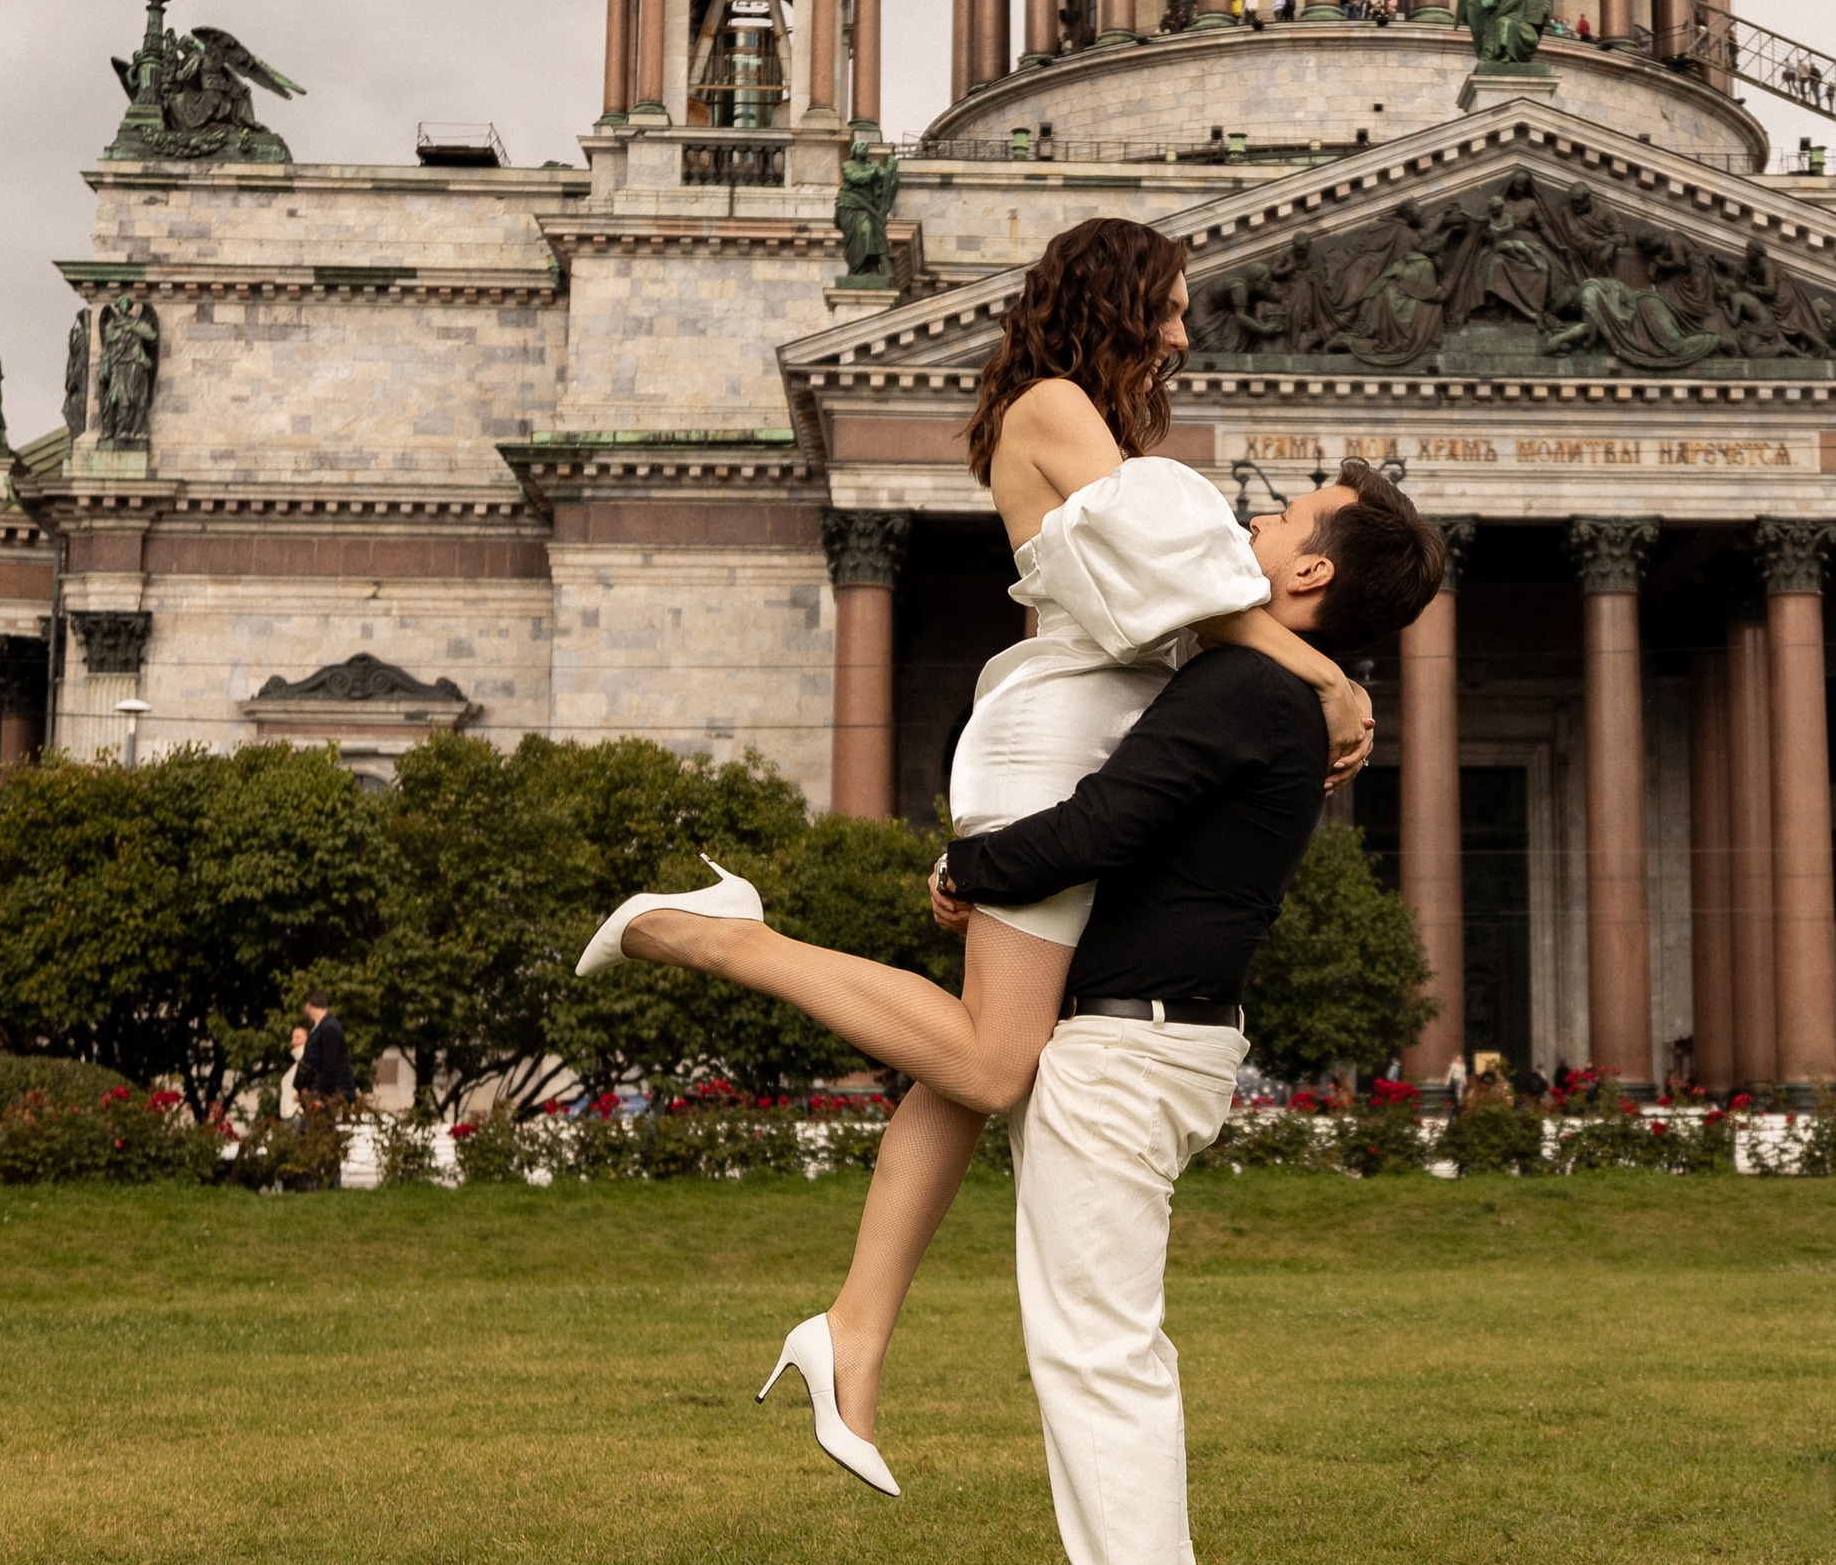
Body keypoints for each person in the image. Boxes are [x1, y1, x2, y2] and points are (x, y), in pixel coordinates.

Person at [576, 221, 1373, 1495]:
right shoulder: (1054, 406)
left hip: (1072, 732)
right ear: (1109, 300)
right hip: (1052, 736)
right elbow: (1192, 591)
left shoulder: (1073, 420)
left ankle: (854, 1332)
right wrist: (1327, 671)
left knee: (964, 1062)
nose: (1179, 333)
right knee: (996, 1060)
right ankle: (720, 932)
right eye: (1164, 308)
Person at [933, 460, 1447, 1565]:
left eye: (1277, 514)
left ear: (1312, 574)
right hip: (1163, 1033)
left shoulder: (1243, 688)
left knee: (1097, 1358)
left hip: (1125, 1042)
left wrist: (967, 869)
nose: (1252, 518)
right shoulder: (1276, 689)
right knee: (1123, 1350)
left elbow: (1107, 823)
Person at [294, 990, 358, 1180]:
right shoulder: (323, 1027)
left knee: (309, 1136)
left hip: (328, 1093)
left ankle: (314, 1180)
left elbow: (329, 1066)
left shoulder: (329, 1028)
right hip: (323, 1092)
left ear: (308, 1005)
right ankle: (328, 1181)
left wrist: (321, 1097)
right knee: (322, 1136)